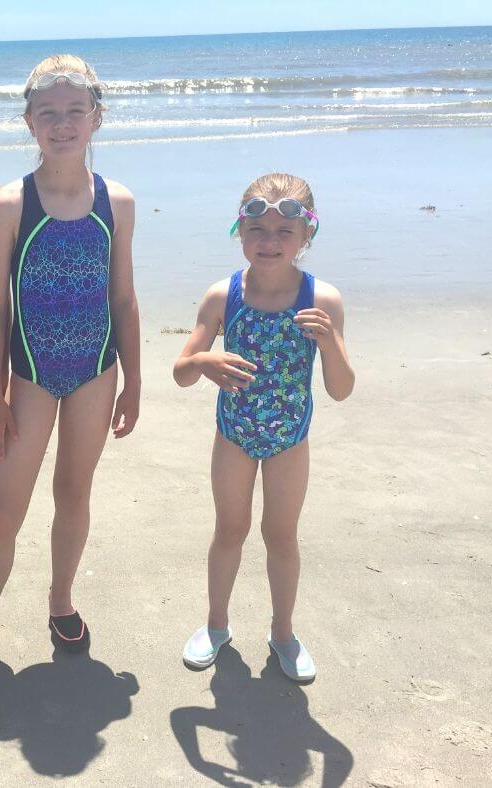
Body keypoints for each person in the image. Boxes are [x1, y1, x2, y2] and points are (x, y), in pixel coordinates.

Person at [0, 54, 141, 677]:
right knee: (6, 507)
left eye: (76, 111)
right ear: (28, 122)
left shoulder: (118, 202)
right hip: (28, 377)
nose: (63, 123)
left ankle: (61, 601)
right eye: (48, 113)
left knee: (74, 491)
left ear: (96, 118)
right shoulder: (9, 205)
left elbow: (123, 297)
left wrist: (134, 381)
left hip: (97, 372)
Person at [173, 173, 355, 681]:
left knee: (281, 535)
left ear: (306, 238)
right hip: (233, 436)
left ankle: (282, 632)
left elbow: (341, 389)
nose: (269, 242)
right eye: (257, 229)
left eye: (284, 233)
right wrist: (206, 359)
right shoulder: (223, 295)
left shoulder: (323, 300)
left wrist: (330, 345)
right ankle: (215, 624)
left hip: (289, 442)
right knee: (229, 530)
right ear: (239, 230)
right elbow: (182, 372)